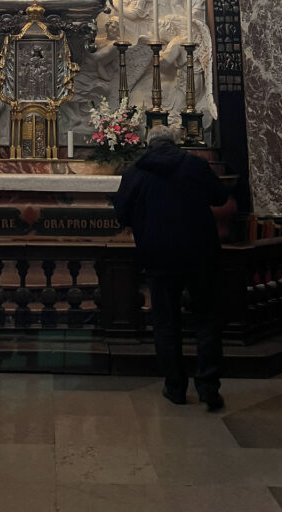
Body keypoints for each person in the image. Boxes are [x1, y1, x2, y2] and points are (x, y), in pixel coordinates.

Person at [113, 124, 229, 410]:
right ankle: (209, 387)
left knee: (166, 323)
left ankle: (175, 387)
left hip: (158, 255)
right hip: (200, 253)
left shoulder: (136, 171)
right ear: (175, 142)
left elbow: (121, 213)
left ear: (147, 144)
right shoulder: (194, 165)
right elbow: (220, 197)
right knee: (207, 320)